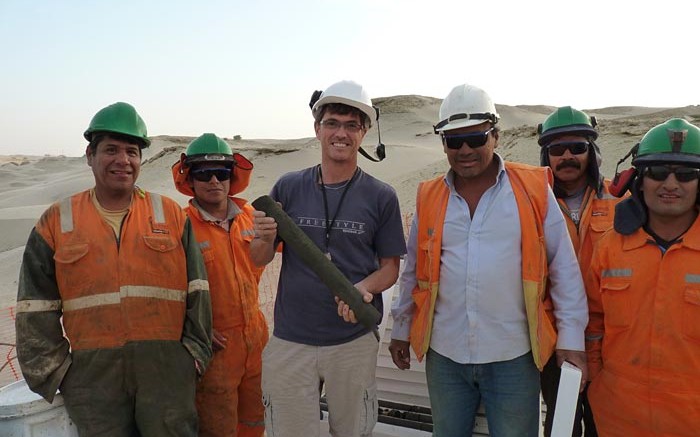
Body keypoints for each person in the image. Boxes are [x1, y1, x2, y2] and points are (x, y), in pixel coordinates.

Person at [389, 84, 589, 437]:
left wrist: (571, 340)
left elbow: (564, 270)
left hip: (514, 356)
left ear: (495, 136)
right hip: (445, 356)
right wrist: (401, 330)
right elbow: (414, 272)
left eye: (476, 138)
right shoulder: (429, 196)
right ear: (444, 144)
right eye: (454, 141)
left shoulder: (531, 189)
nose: (465, 150)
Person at [15, 102, 213, 437]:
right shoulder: (56, 221)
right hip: (92, 380)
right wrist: (55, 371)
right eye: (111, 150)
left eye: (132, 152)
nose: (123, 160)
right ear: (90, 155)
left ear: (141, 159)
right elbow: (34, 305)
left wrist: (193, 356)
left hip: (166, 373)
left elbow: (199, 290)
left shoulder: (170, 214)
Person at [250, 80, 406, 437]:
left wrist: (363, 288)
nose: (341, 133)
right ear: (317, 128)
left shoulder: (381, 196)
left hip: (352, 342)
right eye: (333, 123)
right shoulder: (288, 187)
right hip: (291, 339)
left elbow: (390, 268)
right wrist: (263, 237)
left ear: (364, 132)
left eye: (352, 125)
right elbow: (259, 258)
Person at [586, 118, 700, 436]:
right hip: (615, 420)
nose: (671, 184)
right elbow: (593, 323)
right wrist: (594, 377)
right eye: (658, 172)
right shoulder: (609, 248)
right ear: (639, 179)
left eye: (687, 174)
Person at [171, 133, 268, 437]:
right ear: (190, 179)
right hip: (214, 351)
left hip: (255, 343)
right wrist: (193, 327)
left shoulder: (253, 218)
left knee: (254, 423)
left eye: (222, 173)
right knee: (217, 428)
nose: (214, 180)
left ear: (232, 176)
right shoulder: (179, 226)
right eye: (203, 173)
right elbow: (164, 288)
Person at [537, 106, 622, 437]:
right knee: (561, 427)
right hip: (555, 342)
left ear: (593, 151)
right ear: (546, 154)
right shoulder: (533, 204)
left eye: (578, 147)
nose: (567, 156)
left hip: (611, 343)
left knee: (607, 424)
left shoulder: (623, 199)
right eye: (557, 149)